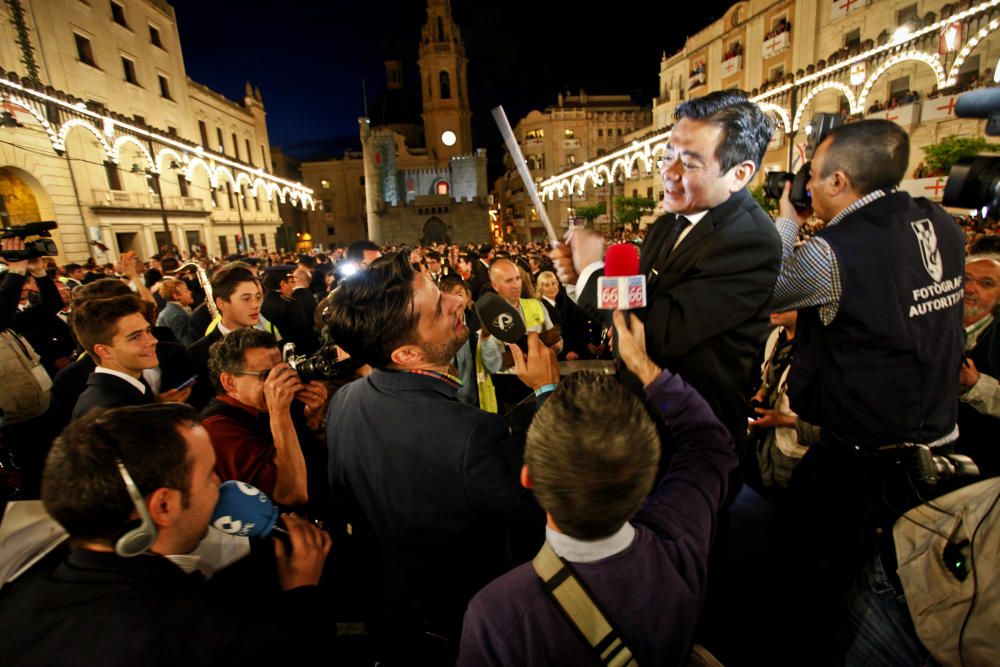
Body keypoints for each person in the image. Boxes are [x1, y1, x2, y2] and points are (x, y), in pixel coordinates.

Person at [771, 119, 966, 639]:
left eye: (811, 176)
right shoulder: (941, 223)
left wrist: (787, 221)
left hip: (860, 469)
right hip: (937, 452)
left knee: (823, 604)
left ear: (838, 182)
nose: (805, 186)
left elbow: (764, 289)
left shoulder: (836, 252)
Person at [458, 311, 736, 666]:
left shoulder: (497, 614)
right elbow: (709, 443)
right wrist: (645, 368)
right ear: (647, 476)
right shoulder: (679, 540)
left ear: (530, 479)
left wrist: (546, 390)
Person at [324, 251, 544, 659]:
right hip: (467, 628)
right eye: (438, 307)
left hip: (392, 622)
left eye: (441, 290)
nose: (457, 301)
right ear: (406, 354)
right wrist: (547, 394)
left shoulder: (344, 402)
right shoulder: (473, 434)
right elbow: (547, 507)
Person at [0, 403, 332, 666]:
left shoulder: (20, 595)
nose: (222, 485)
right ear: (163, 506)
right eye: (208, 475)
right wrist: (301, 596)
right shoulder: (195, 632)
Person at [556, 90, 781, 466]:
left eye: (689, 164)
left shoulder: (750, 240)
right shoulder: (667, 223)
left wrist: (593, 272)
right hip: (640, 424)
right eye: (667, 156)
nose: (668, 173)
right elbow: (631, 305)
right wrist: (578, 275)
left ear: (739, 174)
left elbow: (657, 332)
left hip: (692, 441)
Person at [202, 328, 328, 508]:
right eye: (266, 375)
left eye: (281, 371)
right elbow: (293, 494)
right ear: (230, 382)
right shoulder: (218, 430)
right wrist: (279, 414)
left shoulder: (273, 406)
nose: (278, 382)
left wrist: (314, 420)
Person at [187, 262, 280, 409]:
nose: (256, 305)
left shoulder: (268, 340)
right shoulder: (197, 354)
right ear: (222, 303)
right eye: (246, 299)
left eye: (258, 297)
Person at [478, 258, 562, 413]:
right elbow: (493, 364)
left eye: (518, 279)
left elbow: (558, 343)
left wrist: (516, 356)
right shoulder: (488, 318)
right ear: (495, 286)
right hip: (512, 394)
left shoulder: (536, 305)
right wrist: (540, 343)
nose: (516, 285)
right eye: (509, 281)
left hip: (545, 385)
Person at [71, 295, 162, 419]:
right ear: (104, 351)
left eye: (148, 331)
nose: (153, 341)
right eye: (135, 337)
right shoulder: (109, 412)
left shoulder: (130, 386)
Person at [956, 238, 1000, 476]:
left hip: (980, 463)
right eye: (967, 279)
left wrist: (976, 384)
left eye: (986, 283)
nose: (971, 289)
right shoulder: (932, 323)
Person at [156, 278, 197, 346]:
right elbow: (189, 343)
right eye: (186, 291)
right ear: (176, 296)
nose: (190, 292)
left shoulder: (171, 311)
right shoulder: (177, 316)